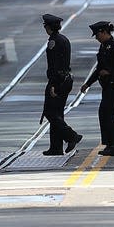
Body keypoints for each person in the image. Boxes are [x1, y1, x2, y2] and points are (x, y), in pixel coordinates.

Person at [80, 21, 114, 156]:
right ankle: (110, 144)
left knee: (110, 113)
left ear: (103, 32)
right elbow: (99, 69)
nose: (96, 37)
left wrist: (110, 72)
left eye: (97, 35)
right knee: (104, 113)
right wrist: (87, 84)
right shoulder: (103, 47)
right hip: (108, 85)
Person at [41, 14, 82, 155]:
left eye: (45, 26)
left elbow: (54, 65)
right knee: (57, 113)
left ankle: (71, 136)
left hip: (58, 80)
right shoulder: (63, 39)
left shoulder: (53, 42)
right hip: (65, 79)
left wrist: (52, 84)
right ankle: (56, 147)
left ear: (49, 27)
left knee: (50, 112)